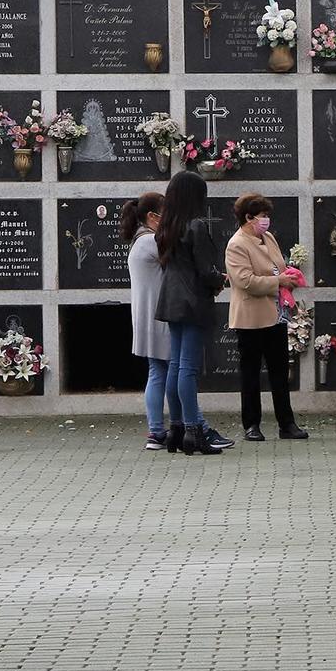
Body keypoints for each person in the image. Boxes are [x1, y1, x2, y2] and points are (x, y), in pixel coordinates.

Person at [155, 170, 229, 457]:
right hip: (193, 301)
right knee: (188, 368)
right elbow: (206, 269)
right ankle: (193, 432)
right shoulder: (196, 225)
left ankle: (175, 429)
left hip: (172, 300)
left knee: (175, 365)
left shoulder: (166, 226)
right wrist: (220, 278)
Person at [225, 191, 307, 441]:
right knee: (251, 374)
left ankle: (287, 424)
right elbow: (245, 281)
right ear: (248, 217)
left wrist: (288, 279)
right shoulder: (236, 244)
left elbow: (278, 267)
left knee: (280, 372)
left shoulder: (268, 237)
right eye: (262, 216)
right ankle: (251, 425)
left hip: (275, 315)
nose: (266, 220)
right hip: (251, 318)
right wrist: (278, 281)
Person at [122, 191, 171, 450]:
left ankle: (156, 431)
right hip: (161, 316)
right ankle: (175, 426)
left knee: (158, 371)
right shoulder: (151, 241)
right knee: (169, 371)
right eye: (167, 213)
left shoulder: (138, 240)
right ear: (153, 216)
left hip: (146, 316)